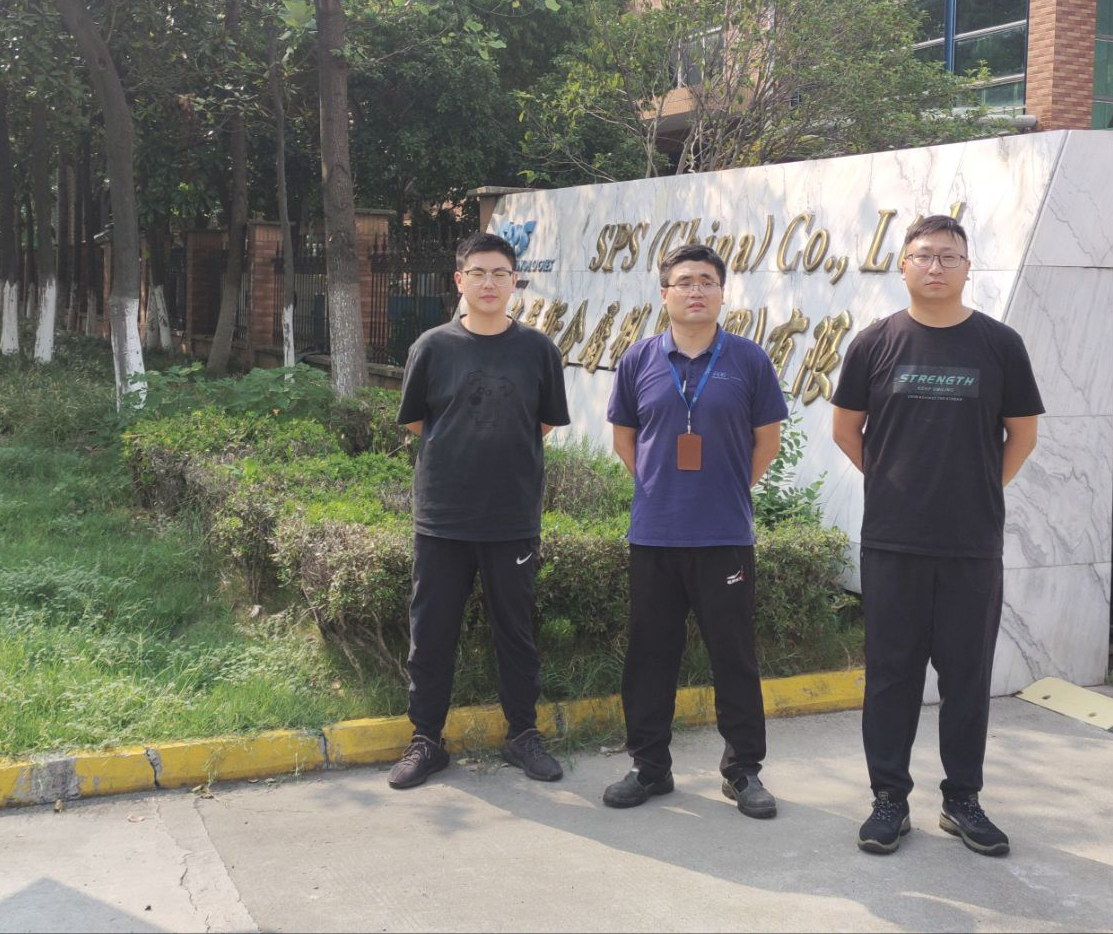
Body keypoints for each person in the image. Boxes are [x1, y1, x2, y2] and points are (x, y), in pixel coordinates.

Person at [829, 214, 1042, 856]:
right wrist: (893, 482)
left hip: (971, 544)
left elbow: (1022, 434)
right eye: (923, 255)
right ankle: (889, 801)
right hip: (892, 541)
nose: (935, 266)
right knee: (890, 676)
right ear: (904, 266)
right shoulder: (874, 342)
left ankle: (962, 800)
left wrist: (977, 489)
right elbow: (845, 429)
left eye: (949, 256)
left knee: (967, 678)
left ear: (967, 267)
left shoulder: (1000, 344)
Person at [601, 243, 788, 819]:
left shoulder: (748, 359)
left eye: (707, 281)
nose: (696, 290)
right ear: (665, 294)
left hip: (724, 535)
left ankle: (743, 771)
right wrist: (661, 489)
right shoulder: (638, 359)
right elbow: (625, 439)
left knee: (734, 656)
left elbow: (768, 442)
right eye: (684, 282)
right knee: (650, 655)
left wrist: (725, 488)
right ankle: (650, 767)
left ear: (722, 293)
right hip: (654, 535)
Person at [388, 231, 571, 789]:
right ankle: (426, 739)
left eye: (499, 274)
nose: (489, 283)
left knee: (516, 631)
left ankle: (522, 734)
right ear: (459, 280)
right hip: (442, 515)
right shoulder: (432, 347)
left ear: (514, 281)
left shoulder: (538, 349)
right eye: (478, 273)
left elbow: (543, 423)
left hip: (512, 515)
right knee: (431, 631)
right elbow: (418, 421)